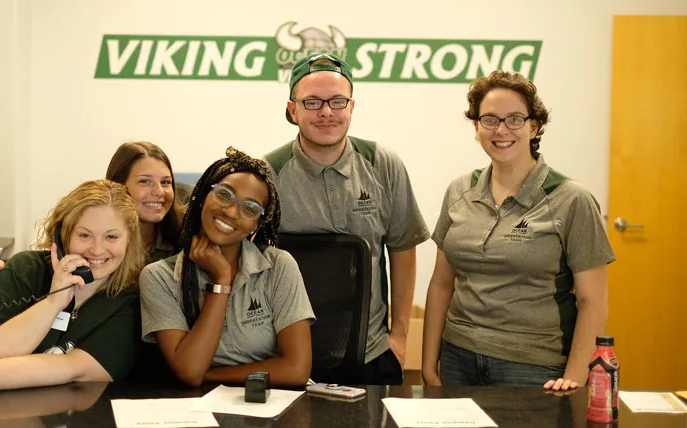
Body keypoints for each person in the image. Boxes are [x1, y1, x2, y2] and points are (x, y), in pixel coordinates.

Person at [421, 70, 615, 391]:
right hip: (457, 357)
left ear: (534, 126)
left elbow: (592, 301)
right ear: (476, 127)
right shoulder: (459, 191)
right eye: (490, 120)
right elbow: (442, 284)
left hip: (533, 367)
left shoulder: (571, 199)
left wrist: (576, 378)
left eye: (514, 119)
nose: (501, 130)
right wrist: (429, 364)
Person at [264, 53, 429, 385]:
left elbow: (402, 249)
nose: (326, 112)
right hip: (289, 355)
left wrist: (399, 336)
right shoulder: (268, 174)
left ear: (351, 107)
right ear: (292, 110)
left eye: (337, 101)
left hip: (371, 353)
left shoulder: (383, 163)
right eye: (312, 102)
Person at [0, 180, 145, 397]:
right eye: (84, 235)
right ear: (63, 235)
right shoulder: (25, 270)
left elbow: (74, 368)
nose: (97, 249)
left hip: (21, 406)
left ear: (129, 241)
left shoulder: (127, 301)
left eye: (111, 237)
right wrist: (53, 302)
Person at [140, 147, 315, 387]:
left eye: (250, 208)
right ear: (202, 197)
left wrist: (210, 376)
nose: (232, 211)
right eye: (224, 195)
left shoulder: (278, 265)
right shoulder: (160, 277)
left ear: (256, 224)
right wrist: (221, 282)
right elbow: (190, 370)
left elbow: (296, 371)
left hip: (274, 401)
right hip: (198, 409)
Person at [0, 141, 184, 293]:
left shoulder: (184, 240)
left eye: (166, 182)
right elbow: (47, 268)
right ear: (118, 186)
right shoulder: (89, 229)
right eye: (145, 181)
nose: (159, 192)